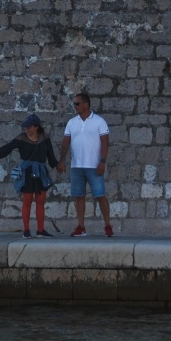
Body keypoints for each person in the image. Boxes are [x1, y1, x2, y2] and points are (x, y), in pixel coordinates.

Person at [0, 113, 60, 237]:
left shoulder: (45, 138)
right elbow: (7, 148)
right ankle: (26, 231)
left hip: (40, 172)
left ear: (36, 127)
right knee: (27, 201)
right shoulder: (21, 138)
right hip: (27, 173)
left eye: (29, 127)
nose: (27, 129)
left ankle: (41, 230)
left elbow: (50, 155)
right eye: (26, 126)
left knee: (40, 201)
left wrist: (57, 165)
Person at [61, 90, 113, 236]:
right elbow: (65, 143)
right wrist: (61, 160)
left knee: (100, 194)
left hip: (94, 165)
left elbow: (105, 143)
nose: (75, 106)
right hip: (76, 165)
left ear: (85, 104)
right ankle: (81, 226)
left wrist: (102, 161)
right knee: (79, 196)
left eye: (77, 104)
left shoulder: (99, 121)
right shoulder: (72, 122)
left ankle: (108, 225)